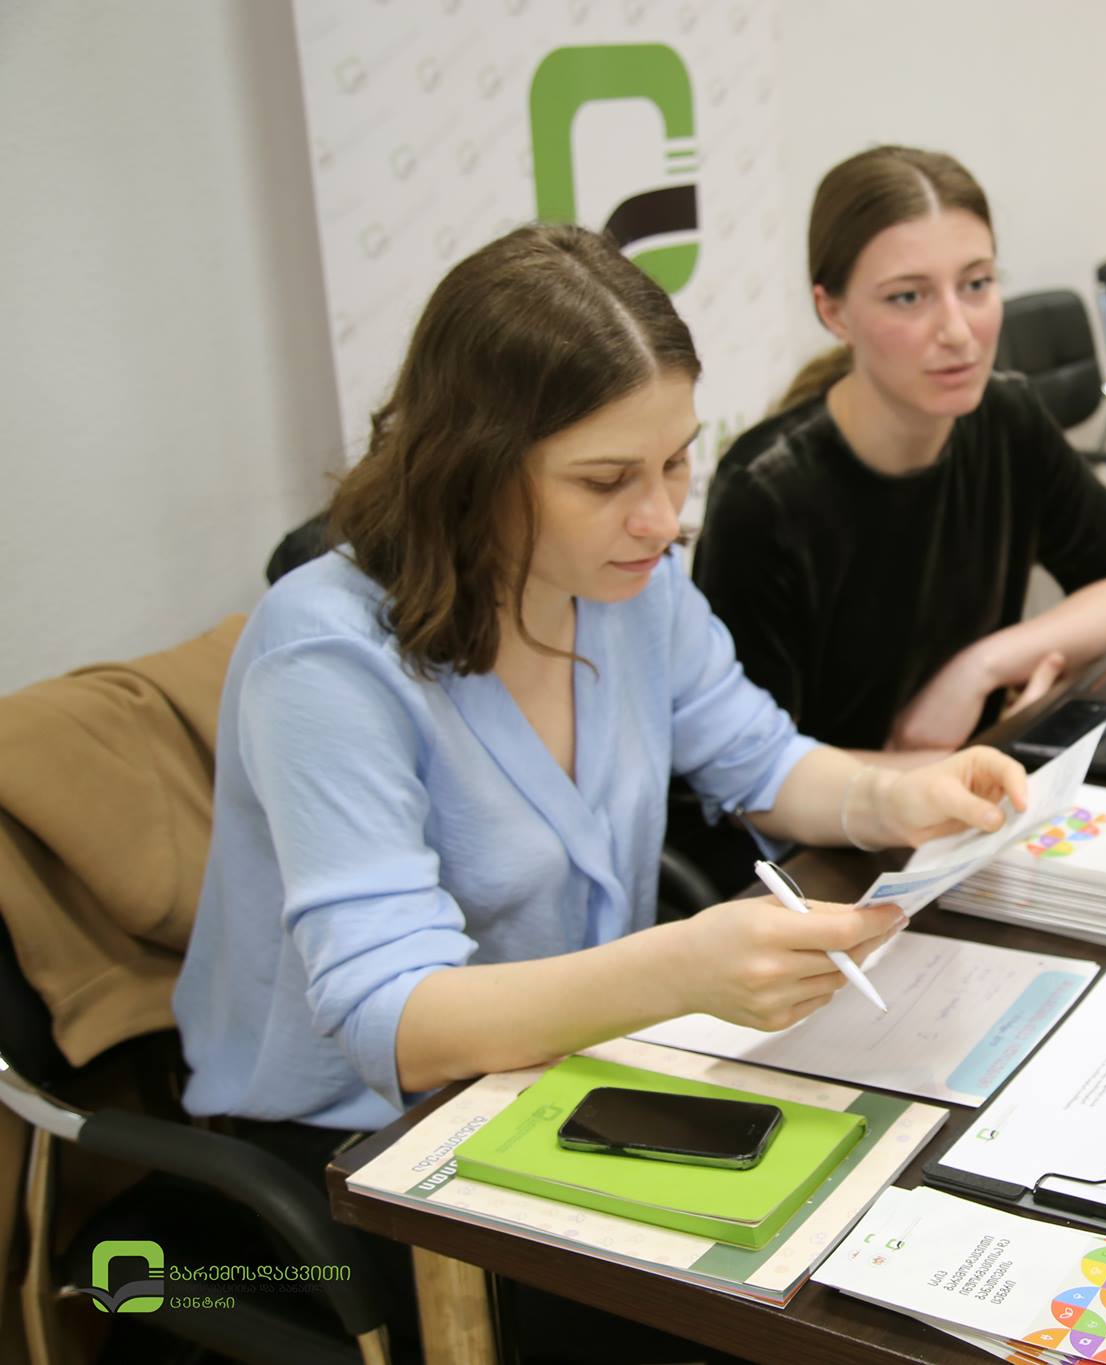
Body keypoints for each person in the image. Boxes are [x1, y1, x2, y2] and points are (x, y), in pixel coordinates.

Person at [174, 222, 1028, 1140]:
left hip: (573, 1064)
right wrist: (676, 972)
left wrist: (895, 799)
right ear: (472, 470)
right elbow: (393, 1023)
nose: (661, 518)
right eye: (606, 479)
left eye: (675, 461)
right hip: (361, 1137)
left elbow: (757, 758)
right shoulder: (325, 656)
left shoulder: (630, 584)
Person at [692, 145, 1106, 763]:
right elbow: (748, 775)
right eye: (908, 297)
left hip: (969, 787)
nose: (956, 330)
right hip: (844, 820)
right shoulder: (765, 494)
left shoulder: (1006, 418)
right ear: (832, 311)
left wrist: (982, 666)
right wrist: (958, 765)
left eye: (976, 284)